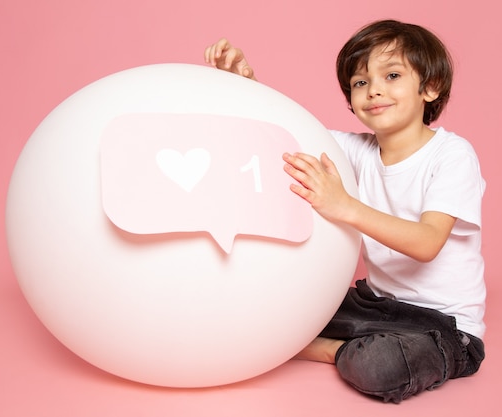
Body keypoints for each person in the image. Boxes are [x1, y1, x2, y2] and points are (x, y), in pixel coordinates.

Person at [204, 19, 486, 403]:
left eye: (391, 75)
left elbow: (427, 242)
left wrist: (345, 207)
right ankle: (328, 339)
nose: (374, 91)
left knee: (382, 366)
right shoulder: (355, 149)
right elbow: (285, 132)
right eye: (360, 83)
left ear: (430, 87)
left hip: (445, 327)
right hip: (376, 305)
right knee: (273, 307)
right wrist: (242, 83)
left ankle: (324, 348)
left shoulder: (452, 155)